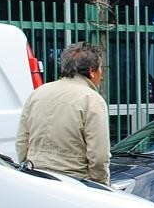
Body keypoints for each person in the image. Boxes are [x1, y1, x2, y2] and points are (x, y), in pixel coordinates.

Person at [16, 42, 111, 185]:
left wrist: (28, 165)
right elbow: (98, 156)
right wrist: (102, 185)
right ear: (92, 70)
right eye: (100, 68)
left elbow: (22, 141)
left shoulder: (37, 93)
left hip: (35, 177)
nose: (101, 74)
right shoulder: (91, 100)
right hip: (74, 183)